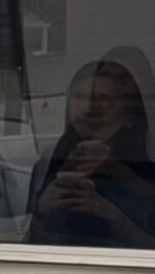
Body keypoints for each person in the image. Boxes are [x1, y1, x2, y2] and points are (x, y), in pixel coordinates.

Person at [25, 54, 155, 250]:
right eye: (81, 97)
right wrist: (43, 208)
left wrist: (113, 215)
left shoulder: (144, 172)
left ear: (129, 116)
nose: (91, 108)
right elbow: (25, 242)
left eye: (106, 99)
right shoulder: (49, 163)